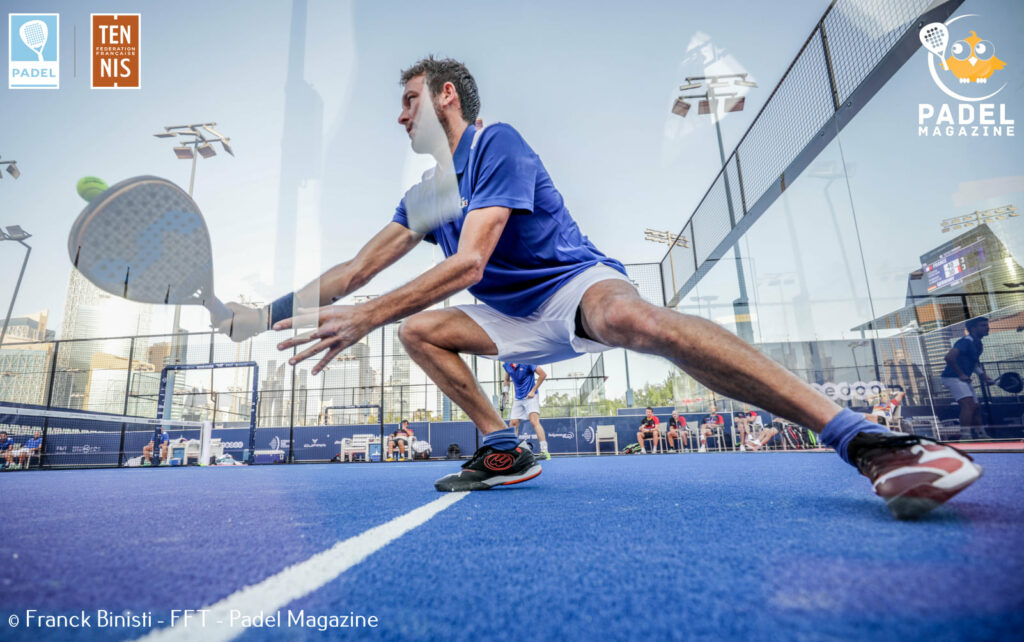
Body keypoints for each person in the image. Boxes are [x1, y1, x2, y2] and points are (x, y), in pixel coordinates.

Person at [219, 56, 981, 518]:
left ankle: (866, 439)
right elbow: (353, 272)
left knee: (637, 321)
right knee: (419, 330)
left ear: (447, 96)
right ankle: (503, 446)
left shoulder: (497, 143)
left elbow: (471, 263)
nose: (399, 114)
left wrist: (368, 314)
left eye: (410, 99)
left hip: (571, 284)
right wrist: (261, 316)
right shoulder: (426, 195)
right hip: (506, 313)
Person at [941, 317, 994, 439]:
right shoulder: (966, 341)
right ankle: (965, 437)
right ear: (973, 329)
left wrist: (983, 375)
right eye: (983, 325)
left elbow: (973, 363)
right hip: (952, 377)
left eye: (987, 325)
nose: (987, 327)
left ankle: (981, 435)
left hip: (962, 379)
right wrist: (961, 374)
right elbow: (949, 357)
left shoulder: (979, 344)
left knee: (976, 406)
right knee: (969, 405)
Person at [502, 362, 550, 459]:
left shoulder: (527, 361)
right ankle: (514, 452)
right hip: (518, 398)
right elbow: (506, 380)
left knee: (534, 421)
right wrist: (506, 394)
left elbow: (543, 374)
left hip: (531, 396)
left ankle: (545, 452)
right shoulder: (507, 364)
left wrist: (533, 390)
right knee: (513, 424)